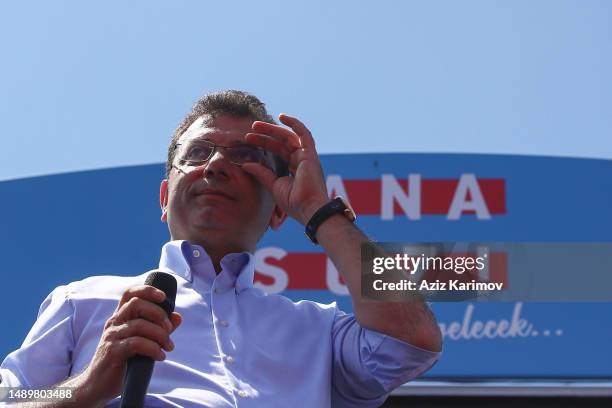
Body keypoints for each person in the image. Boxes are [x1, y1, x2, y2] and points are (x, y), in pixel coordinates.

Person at [0, 90, 442, 407]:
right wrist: (88, 386)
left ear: (278, 213)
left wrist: (320, 210)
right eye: (198, 153)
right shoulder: (82, 301)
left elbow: (412, 338)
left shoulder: (319, 332)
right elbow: (13, 399)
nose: (215, 165)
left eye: (243, 158)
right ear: (163, 198)